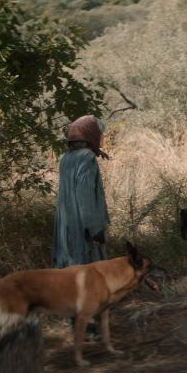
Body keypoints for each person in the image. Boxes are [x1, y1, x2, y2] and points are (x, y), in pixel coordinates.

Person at [53, 114, 110, 268]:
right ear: (91, 134)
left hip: (67, 224)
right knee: (89, 275)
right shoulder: (87, 158)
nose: (102, 136)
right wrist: (95, 229)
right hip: (82, 228)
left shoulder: (66, 158)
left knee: (68, 275)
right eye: (99, 132)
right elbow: (85, 197)